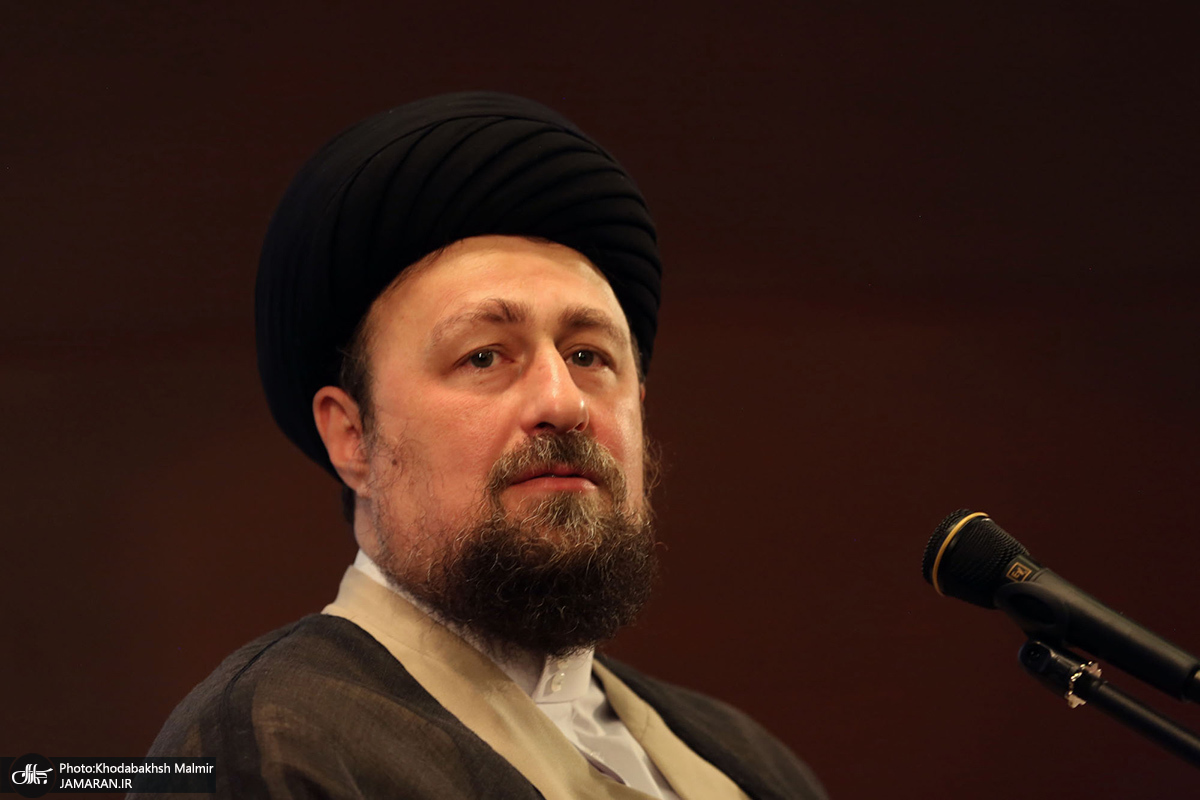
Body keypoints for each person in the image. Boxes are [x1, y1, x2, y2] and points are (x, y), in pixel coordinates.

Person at [144, 92, 826, 800]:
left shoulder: (753, 764)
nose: (563, 402)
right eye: (483, 356)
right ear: (353, 437)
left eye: (588, 356)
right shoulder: (265, 744)